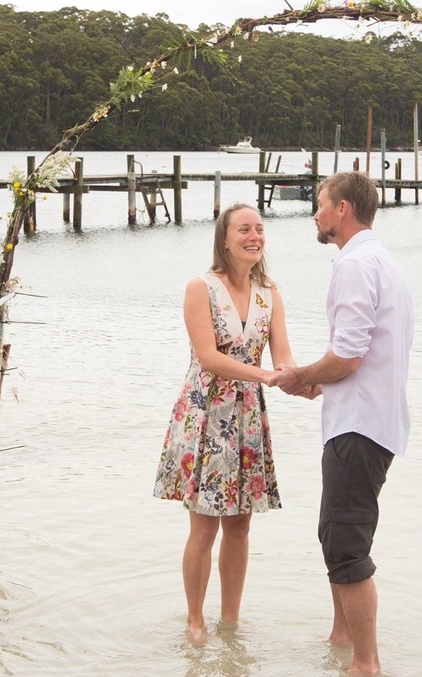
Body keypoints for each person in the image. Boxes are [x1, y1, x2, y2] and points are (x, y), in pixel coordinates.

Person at [275, 172, 413, 676]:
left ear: (343, 210)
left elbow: (349, 357)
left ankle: (364, 663)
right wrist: (321, 383)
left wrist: (302, 376)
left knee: (346, 544)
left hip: (360, 425)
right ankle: (341, 636)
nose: (315, 213)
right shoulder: (383, 262)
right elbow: (364, 354)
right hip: (371, 418)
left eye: (321, 203)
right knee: (333, 532)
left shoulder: (355, 264)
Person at [153, 204, 297, 641]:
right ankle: (195, 620)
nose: (254, 237)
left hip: (248, 416)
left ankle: (230, 620)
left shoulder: (269, 293)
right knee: (204, 526)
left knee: (241, 524)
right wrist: (265, 376)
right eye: (244, 230)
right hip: (206, 413)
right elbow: (208, 358)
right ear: (225, 239)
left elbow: (283, 357)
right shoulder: (201, 288)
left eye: (259, 229)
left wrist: (302, 379)